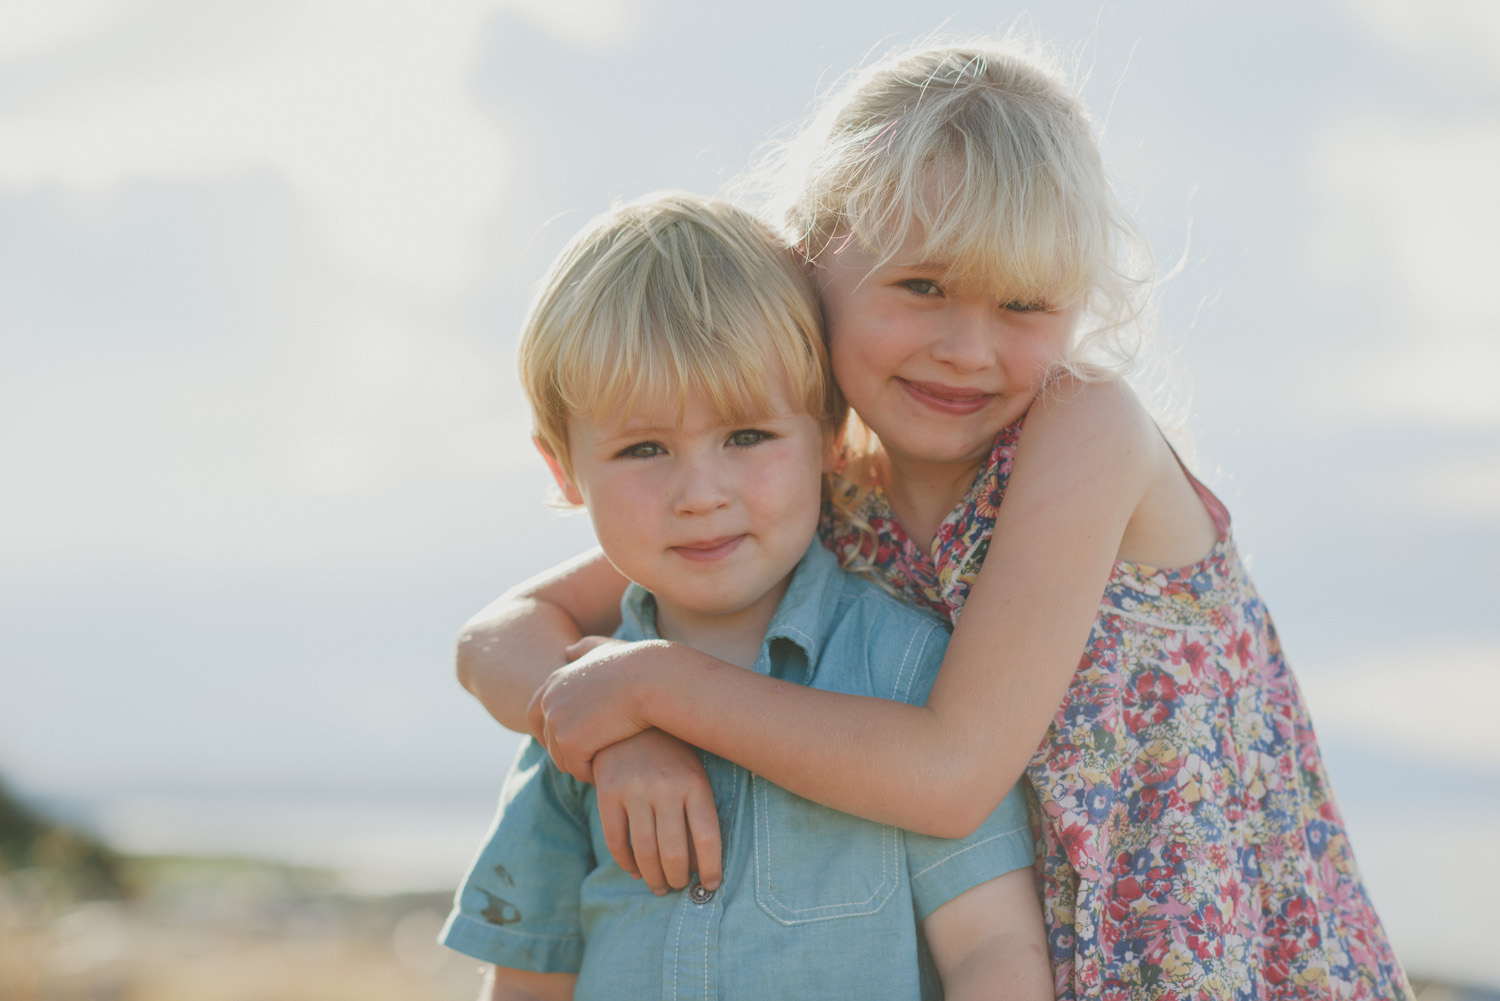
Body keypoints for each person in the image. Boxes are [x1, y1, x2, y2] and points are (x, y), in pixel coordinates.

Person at [461, 39, 1413, 1000]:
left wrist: (653, 687)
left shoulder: (1084, 429)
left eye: (1025, 303)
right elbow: (495, 638)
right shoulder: (817, 493)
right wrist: (620, 735)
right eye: (923, 285)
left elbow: (952, 772)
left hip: (1207, 961)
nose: (968, 348)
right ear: (812, 257)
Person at [439, 191, 1050, 1001]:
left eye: (747, 437)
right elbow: (529, 977)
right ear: (562, 469)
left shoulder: (905, 672)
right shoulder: (578, 718)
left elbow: (993, 949)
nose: (700, 492)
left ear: (832, 434)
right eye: (644, 447)